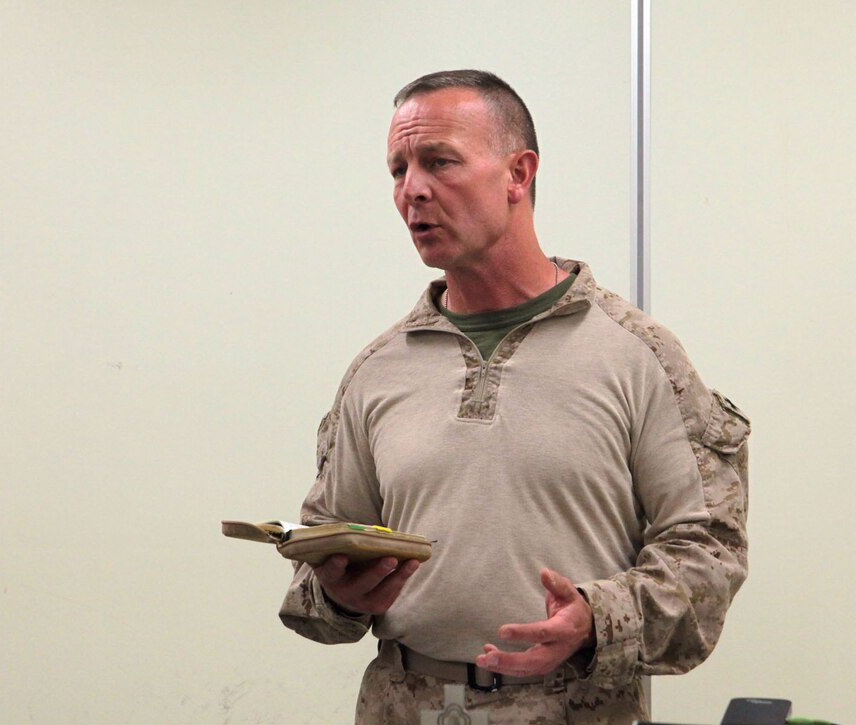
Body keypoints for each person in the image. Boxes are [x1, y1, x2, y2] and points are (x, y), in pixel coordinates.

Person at [278, 70, 750, 724]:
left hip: (579, 709)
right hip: (404, 706)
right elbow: (319, 583)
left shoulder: (640, 357)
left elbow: (708, 556)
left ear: (517, 174)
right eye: (397, 169)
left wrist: (597, 617)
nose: (412, 188)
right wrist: (336, 590)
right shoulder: (378, 371)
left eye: (439, 161)